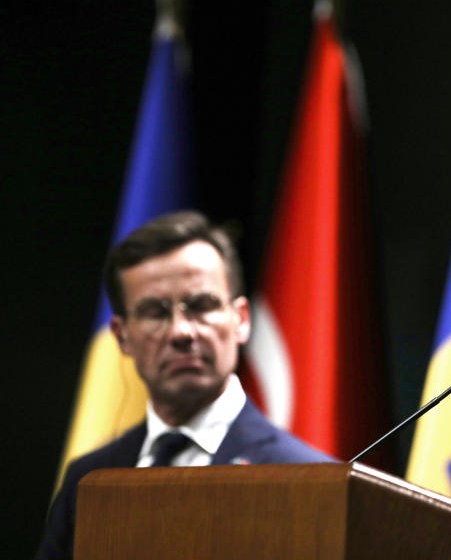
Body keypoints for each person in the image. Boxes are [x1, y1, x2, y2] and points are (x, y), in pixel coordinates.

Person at [36, 211, 335, 560]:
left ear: (240, 320)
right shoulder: (88, 480)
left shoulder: (307, 480)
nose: (182, 332)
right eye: (155, 312)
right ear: (122, 337)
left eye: (201, 305)